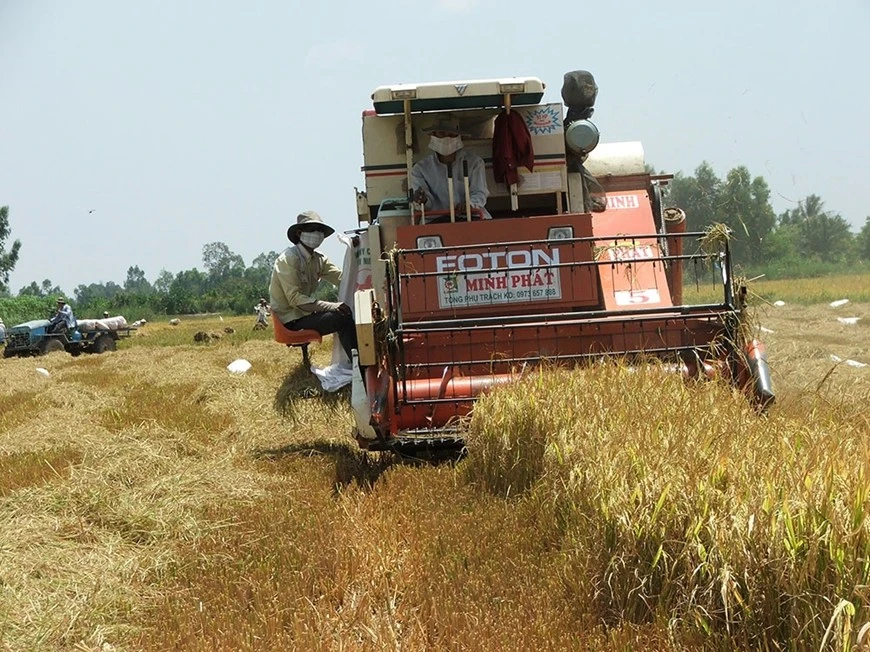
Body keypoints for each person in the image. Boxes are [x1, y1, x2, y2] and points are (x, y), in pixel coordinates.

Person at [269, 211, 357, 360]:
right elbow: (295, 299)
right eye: (312, 229)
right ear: (299, 233)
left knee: (351, 313)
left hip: (305, 315)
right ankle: (359, 367)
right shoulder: (289, 259)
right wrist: (333, 306)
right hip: (291, 320)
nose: (317, 234)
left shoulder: (319, 260)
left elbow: (343, 279)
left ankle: (358, 362)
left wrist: (355, 254)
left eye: (320, 230)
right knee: (342, 317)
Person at [410, 118, 491, 221]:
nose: (447, 138)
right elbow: (426, 204)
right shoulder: (420, 169)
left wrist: (469, 205)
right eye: (442, 133)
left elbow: (479, 193)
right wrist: (422, 201)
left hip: (471, 218)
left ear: (458, 137)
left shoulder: (474, 162)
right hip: (437, 221)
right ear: (433, 135)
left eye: (452, 134)